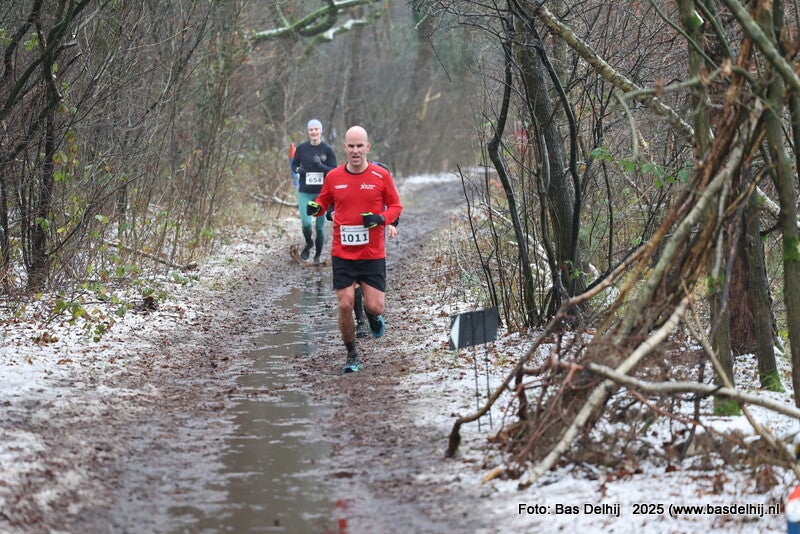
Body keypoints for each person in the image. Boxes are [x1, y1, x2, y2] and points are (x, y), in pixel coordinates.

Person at [307, 126, 403, 373]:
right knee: (345, 304)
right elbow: (323, 202)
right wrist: (315, 208)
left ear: (367, 147)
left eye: (360, 146)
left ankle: (372, 316)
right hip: (343, 253)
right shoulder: (334, 177)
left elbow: (396, 206)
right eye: (351, 146)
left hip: (372, 254)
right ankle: (351, 354)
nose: (355, 151)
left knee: (375, 307)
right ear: (345, 148)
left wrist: (381, 219)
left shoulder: (381, 175)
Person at [291, 119, 337, 263]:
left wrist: (320, 166)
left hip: (322, 194)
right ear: (308, 131)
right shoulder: (302, 148)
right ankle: (309, 243)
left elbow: (334, 172)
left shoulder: (328, 150)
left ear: (320, 131)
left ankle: (317, 256)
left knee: (320, 227)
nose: (314, 132)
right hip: (305, 192)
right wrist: (298, 170)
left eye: (316, 129)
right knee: (306, 224)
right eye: (311, 129)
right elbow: (294, 165)